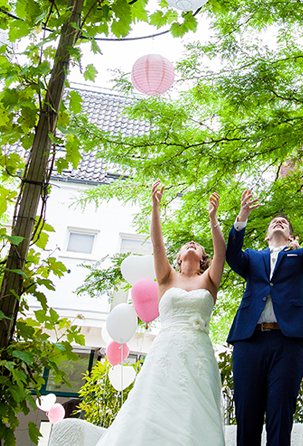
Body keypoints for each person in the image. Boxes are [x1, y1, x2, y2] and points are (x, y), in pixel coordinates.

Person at [94, 183, 227, 446]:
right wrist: (155, 206)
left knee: (193, 410)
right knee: (153, 406)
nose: (192, 244)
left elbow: (222, 252)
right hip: (166, 350)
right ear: (177, 258)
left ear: (202, 258)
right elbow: (157, 243)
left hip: (198, 353)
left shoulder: (210, 280)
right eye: (187, 244)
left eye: (197, 245)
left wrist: (213, 219)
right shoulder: (166, 277)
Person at [226, 187, 303, 446]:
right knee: (247, 416)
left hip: (287, 342)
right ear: (266, 236)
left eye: (283, 222)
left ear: (292, 235)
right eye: (273, 223)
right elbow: (232, 256)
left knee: (280, 417)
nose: (278, 222)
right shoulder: (252, 257)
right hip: (249, 341)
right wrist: (242, 217)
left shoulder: (300, 255)